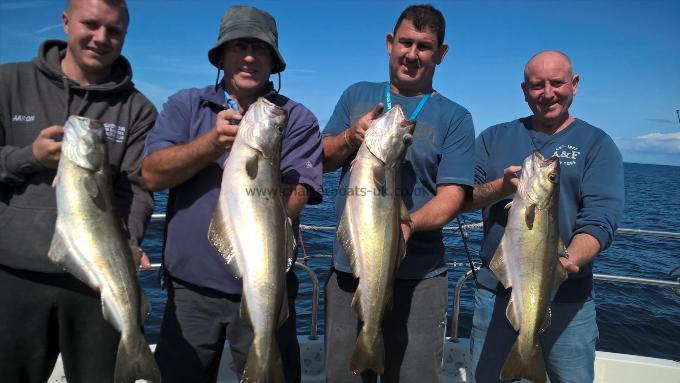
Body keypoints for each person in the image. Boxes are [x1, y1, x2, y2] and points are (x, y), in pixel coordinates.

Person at [141, 5, 323, 383]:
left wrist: (269, 182)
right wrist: (210, 144)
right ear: (221, 55)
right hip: (190, 291)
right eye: (240, 46)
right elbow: (151, 175)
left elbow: (301, 193)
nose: (250, 57)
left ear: (273, 62)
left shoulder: (296, 117)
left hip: (267, 284)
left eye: (261, 50)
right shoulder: (187, 105)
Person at [0, 0, 157, 382]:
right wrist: (29, 157)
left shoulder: (138, 109)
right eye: (91, 24)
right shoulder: (9, 82)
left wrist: (131, 242)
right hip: (15, 274)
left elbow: (137, 189)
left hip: (96, 283)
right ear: (66, 22)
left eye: (114, 31)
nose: (101, 38)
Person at [322, 4, 475, 382]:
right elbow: (321, 159)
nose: (412, 54)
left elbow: (452, 197)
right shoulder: (356, 95)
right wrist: (349, 137)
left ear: (441, 54)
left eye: (424, 46)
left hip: (421, 275)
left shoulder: (456, 117)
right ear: (390, 44)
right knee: (342, 375)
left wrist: (407, 225)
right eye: (405, 42)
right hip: (350, 269)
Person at [466, 50, 624, 383]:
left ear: (575, 84)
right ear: (524, 90)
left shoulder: (597, 144)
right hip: (494, 295)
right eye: (537, 85)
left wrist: (569, 261)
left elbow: (601, 219)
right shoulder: (493, 138)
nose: (547, 93)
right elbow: (461, 199)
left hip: (569, 300)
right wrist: (500, 188)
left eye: (557, 83)